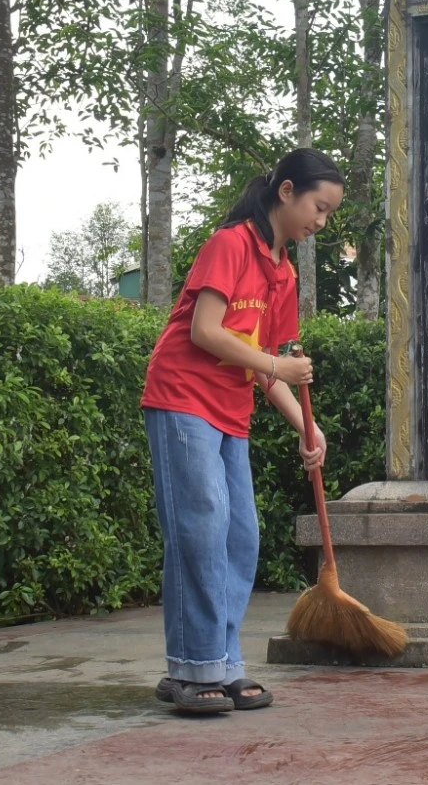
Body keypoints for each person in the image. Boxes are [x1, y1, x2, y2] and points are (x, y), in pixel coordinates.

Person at [141, 148, 344, 714]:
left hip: (230, 411)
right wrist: (278, 367)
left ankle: (223, 665)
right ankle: (191, 669)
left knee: (241, 536)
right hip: (182, 398)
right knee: (200, 529)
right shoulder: (231, 244)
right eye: (318, 208)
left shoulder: (283, 272)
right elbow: (207, 332)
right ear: (286, 192)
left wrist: (309, 425)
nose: (320, 223)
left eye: (328, 215)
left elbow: (262, 363)